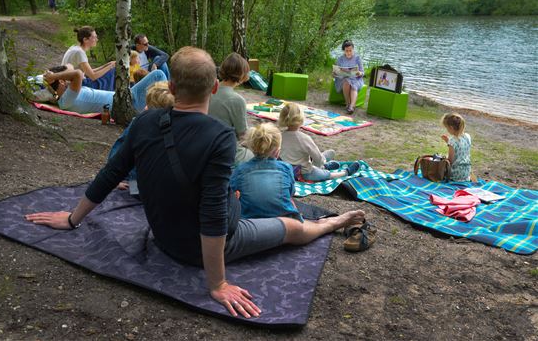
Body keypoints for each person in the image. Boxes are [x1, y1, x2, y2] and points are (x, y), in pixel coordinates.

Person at [25, 46, 366, 319]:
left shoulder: (145, 123)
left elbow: (110, 173)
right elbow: (214, 210)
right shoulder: (219, 136)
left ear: (171, 88)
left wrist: (73, 219)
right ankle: (335, 221)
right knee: (292, 226)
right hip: (196, 249)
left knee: (227, 192)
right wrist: (216, 283)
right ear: (214, 87)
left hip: (163, 236)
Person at [110, 82, 175, 191]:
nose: (144, 107)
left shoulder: (139, 124)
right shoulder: (178, 127)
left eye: (147, 105)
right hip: (162, 188)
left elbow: (118, 152)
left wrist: (114, 179)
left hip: (138, 184)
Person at [230, 123, 302, 221]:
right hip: (283, 221)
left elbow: (229, 191)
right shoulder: (286, 168)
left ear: (252, 148)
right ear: (277, 152)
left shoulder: (240, 170)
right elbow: (290, 193)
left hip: (250, 223)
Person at [278, 103, 360, 182]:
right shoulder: (304, 138)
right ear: (301, 119)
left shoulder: (279, 136)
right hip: (303, 173)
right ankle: (344, 173)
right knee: (325, 174)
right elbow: (317, 158)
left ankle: (324, 163)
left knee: (314, 159)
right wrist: (319, 166)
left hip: (285, 170)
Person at [45, 63, 167, 114]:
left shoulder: (67, 96)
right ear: (61, 81)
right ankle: (172, 106)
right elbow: (76, 73)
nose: (69, 80)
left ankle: (168, 105)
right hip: (128, 103)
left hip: (125, 98)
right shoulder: (66, 99)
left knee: (156, 85)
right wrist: (54, 76)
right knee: (158, 74)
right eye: (66, 79)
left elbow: (74, 71)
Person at [208, 52, 254, 165]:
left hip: (207, 144)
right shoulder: (237, 100)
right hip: (225, 150)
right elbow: (243, 134)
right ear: (242, 74)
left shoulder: (209, 91)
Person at [62, 26, 116, 91]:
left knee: (110, 70)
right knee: (112, 71)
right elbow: (93, 76)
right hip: (77, 84)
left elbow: (89, 72)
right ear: (85, 40)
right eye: (94, 37)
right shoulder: (80, 52)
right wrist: (111, 66)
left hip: (73, 82)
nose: (97, 39)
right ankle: (109, 96)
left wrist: (107, 65)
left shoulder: (74, 47)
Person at [333, 40, 364, 114]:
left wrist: (359, 73)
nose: (349, 52)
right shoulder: (340, 59)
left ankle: (351, 107)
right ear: (344, 51)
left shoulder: (357, 58)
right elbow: (336, 72)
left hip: (355, 79)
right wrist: (334, 73)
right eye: (347, 51)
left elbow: (363, 72)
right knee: (347, 82)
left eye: (350, 50)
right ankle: (348, 103)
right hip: (343, 79)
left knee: (353, 86)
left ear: (353, 49)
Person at [441, 113, 472, 181]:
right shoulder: (467, 136)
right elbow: (460, 148)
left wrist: (442, 162)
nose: (447, 130)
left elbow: (450, 161)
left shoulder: (452, 141)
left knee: (440, 163)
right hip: (466, 173)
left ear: (451, 128)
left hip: (455, 175)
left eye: (447, 128)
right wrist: (448, 141)